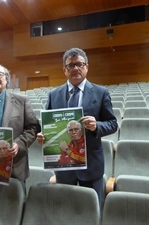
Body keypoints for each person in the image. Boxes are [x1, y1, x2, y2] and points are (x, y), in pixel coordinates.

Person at [37, 47, 118, 210]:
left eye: (79, 64)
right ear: (64, 70)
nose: (75, 68)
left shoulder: (101, 92)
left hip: (91, 165)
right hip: (64, 166)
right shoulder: (54, 94)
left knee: (91, 210)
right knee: (66, 210)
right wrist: (44, 136)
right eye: (71, 65)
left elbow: (112, 123)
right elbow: (49, 126)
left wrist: (97, 126)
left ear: (87, 66)